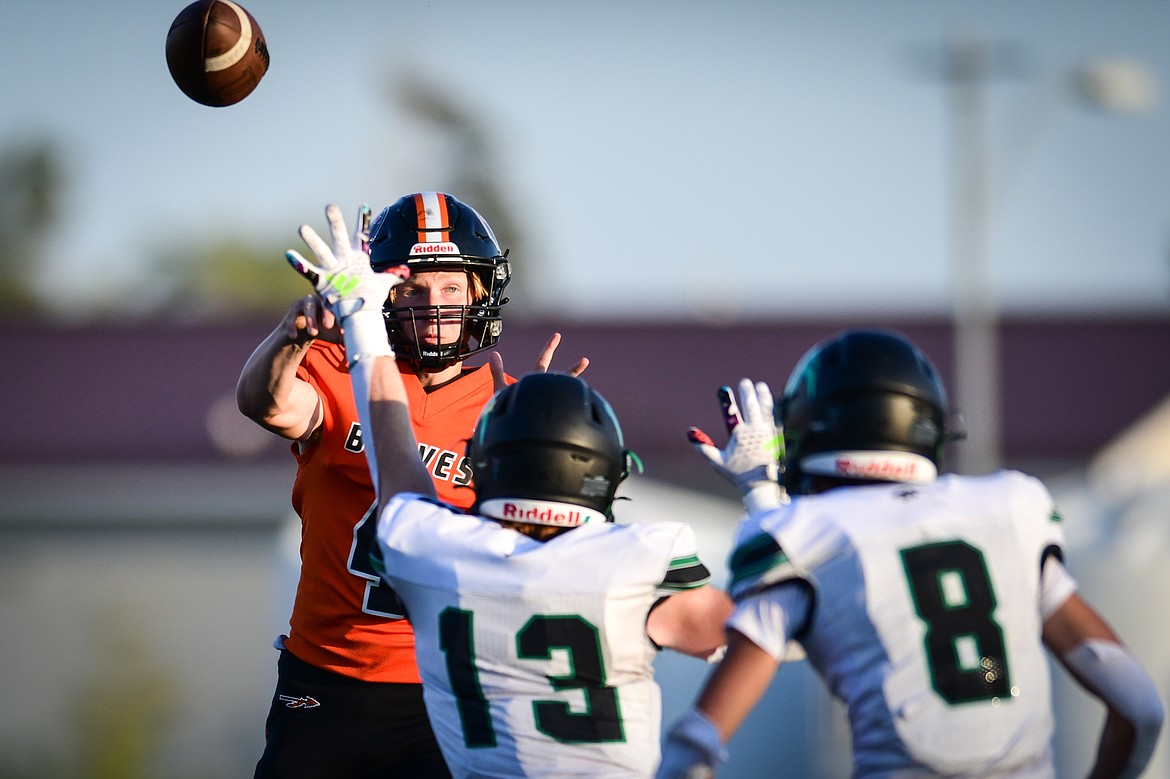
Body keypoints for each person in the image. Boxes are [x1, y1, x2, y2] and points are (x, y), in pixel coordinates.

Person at [289, 201, 734, 777]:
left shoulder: (436, 548)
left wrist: (362, 325)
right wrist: (769, 500)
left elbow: (398, 469)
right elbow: (762, 627)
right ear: (609, 476)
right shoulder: (638, 557)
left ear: (481, 462)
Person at [659, 329, 1164, 778]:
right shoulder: (1009, 506)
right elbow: (1140, 708)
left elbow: (697, 745)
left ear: (809, 431)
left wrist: (762, 493)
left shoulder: (801, 534)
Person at [237, 193, 585, 777]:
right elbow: (263, 403)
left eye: (451, 288)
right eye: (415, 288)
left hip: (450, 685)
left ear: (480, 294)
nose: (434, 306)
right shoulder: (337, 366)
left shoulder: (506, 407)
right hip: (326, 678)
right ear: (384, 295)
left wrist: (543, 435)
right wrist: (293, 333)